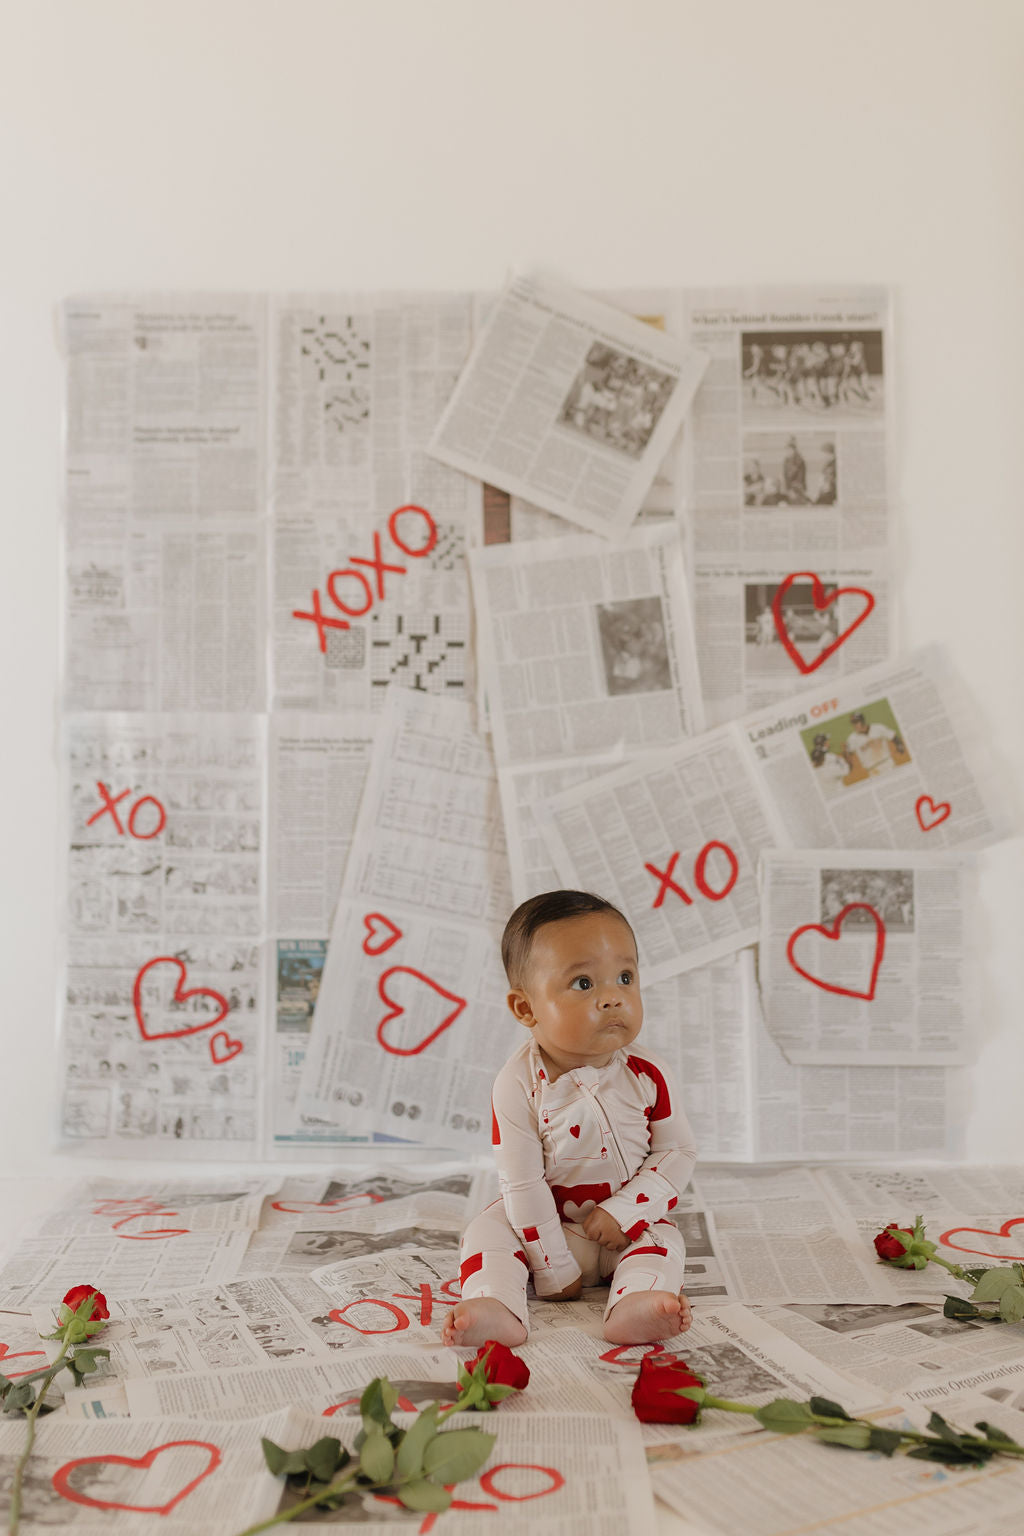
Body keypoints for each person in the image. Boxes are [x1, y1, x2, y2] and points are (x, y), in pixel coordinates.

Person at [441, 891, 696, 1350]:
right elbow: (522, 1184)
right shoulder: (516, 1084)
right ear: (525, 1008)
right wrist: (553, 1267)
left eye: (624, 977)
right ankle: (495, 1304)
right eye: (583, 984)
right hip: (546, 1226)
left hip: (625, 1229)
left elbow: (676, 1151)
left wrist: (626, 1211)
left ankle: (637, 1302)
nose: (613, 999)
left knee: (665, 1240)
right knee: (487, 1232)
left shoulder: (649, 1073)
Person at [844, 711, 906, 775]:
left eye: (856, 722)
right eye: (853, 723)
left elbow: (893, 736)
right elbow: (848, 754)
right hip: (872, 770)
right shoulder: (852, 739)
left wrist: (899, 744)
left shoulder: (878, 728)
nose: (854, 725)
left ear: (862, 721)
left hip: (888, 764)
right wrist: (846, 753)